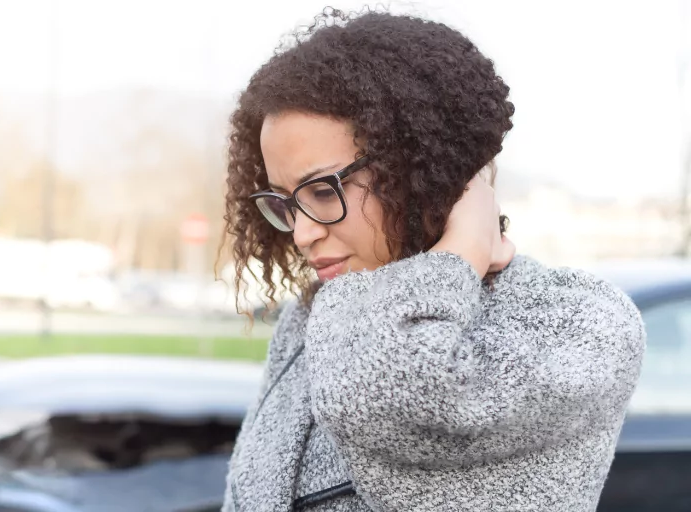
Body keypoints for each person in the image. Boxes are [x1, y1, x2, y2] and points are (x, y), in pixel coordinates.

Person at [220, 8, 645, 512]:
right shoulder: (312, 317)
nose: (303, 233)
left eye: (321, 190)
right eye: (285, 202)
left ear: (420, 167)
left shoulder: (578, 321)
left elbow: (392, 391)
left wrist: (459, 252)